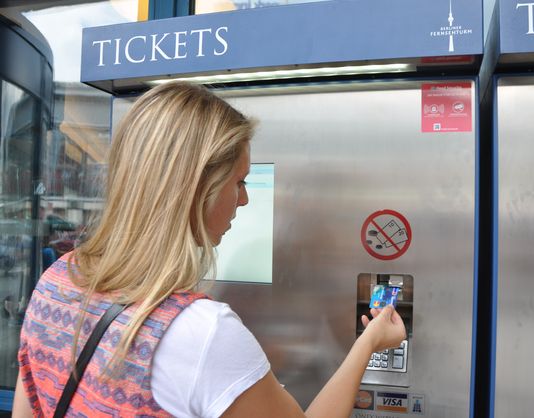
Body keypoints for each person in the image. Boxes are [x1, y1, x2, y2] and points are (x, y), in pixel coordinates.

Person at [12, 81, 406, 418]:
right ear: (198, 188)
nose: (245, 200)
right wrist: (368, 344)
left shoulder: (58, 279)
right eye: (239, 182)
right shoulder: (200, 332)